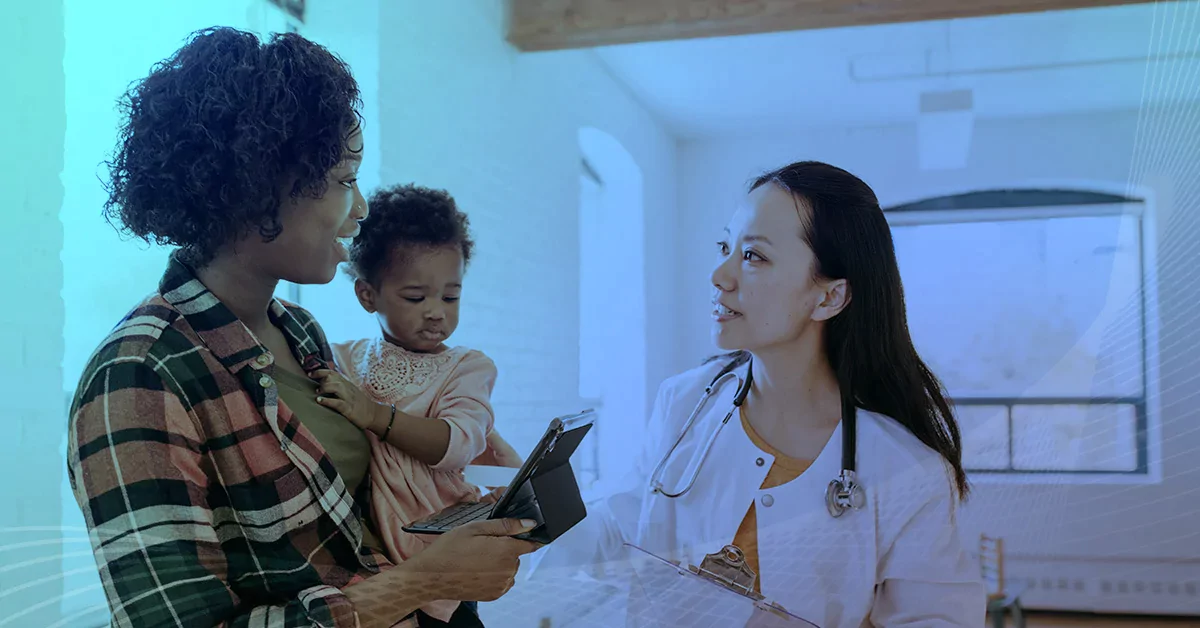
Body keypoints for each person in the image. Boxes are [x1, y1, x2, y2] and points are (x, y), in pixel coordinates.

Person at [66, 27, 537, 628]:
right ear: (258, 188)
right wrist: (425, 581)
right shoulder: (138, 376)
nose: (361, 208)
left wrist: (453, 511)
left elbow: (349, 523)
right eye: (345, 180)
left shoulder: (299, 331)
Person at [528, 161, 986, 626]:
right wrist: (531, 509)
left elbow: (938, 618)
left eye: (754, 256)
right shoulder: (684, 403)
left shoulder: (906, 471)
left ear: (828, 297)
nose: (719, 275)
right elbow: (621, 530)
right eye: (726, 247)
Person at [306, 183, 523, 625]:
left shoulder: (467, 368)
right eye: (415, 297)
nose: (436, 312)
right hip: (369, 562)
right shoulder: (344, 358)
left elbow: (458, 444)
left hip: (441, 547)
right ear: (368, 295)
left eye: (450, 296)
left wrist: (373, 415)